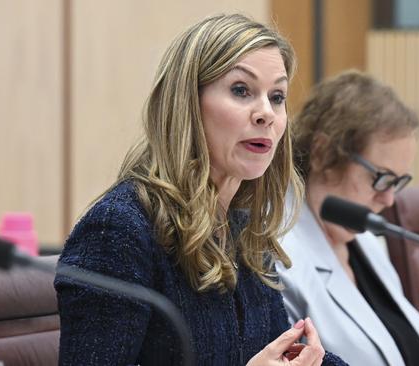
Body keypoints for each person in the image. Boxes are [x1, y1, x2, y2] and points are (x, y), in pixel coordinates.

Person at [54, 14, 346, 366]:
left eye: (278, 96)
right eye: (242, 90)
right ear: (188, 104)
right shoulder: (118, 230)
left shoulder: (243, 229)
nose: (266, 114)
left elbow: (278, 352)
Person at [278, 70, 419, 366]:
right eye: (381, 178)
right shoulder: (280, 253)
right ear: (322, 153)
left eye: (398, 183)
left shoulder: (366, 242)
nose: (389, 199)